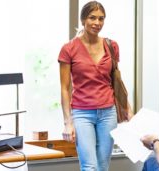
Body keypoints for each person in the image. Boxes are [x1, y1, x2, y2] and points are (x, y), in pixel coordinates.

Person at [58, 1, 133, 171]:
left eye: (101, 19)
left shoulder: (111, 46)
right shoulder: (68, 49)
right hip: (82, 113)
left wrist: (127, 108)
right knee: (89, 166)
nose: (97, 23)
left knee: (102, 166)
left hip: (108, 113)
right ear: (83, 19)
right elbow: (65, 88)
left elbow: (116, 80)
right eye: (92, 18)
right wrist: (67, 122)